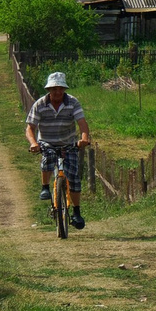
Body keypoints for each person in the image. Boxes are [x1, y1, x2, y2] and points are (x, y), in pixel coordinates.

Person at [26, 71, 92, 230]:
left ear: (64, 89)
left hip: (68, 142)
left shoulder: (72, 102)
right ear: (49, 89)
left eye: (60, 89)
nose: (57, 92)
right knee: (47, 159)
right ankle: (45, 187)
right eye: (54, 89)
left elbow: (82, 123)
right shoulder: (40, 104)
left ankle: (76, 212)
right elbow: (30, 127)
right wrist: (34, 143)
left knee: (74, 177)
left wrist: (84, 138)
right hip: (47, 141)